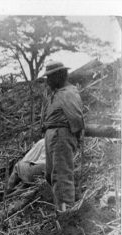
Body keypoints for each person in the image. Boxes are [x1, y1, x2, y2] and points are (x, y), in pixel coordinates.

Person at [39, 61, 85, 212]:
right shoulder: (56, 93)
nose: (48, 81)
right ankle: (64, 206)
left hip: (61, 135)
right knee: (50, 174)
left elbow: (77, 119)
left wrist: (75, 138)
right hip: (51, 135)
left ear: (59, 76)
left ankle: (66, 213)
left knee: (61, 175)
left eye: (50, 78)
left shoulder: (69, 93)